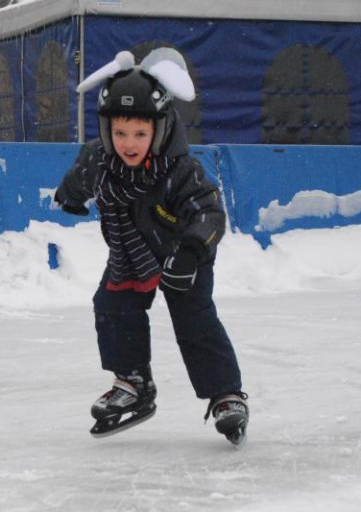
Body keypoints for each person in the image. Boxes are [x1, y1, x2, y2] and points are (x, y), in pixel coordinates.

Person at [54, 48, 249, 445]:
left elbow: (210, 215)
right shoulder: (99, 160)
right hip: (132, 253)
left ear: (159, 131)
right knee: (112, 306)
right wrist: (68, 197)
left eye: (140, 134)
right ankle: (134, 383)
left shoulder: (180, 172)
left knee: (194, 320)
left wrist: (192, 252)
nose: (129, 143)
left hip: (183, 254)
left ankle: (225, 393)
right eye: (120, 133)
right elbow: (79, 177)